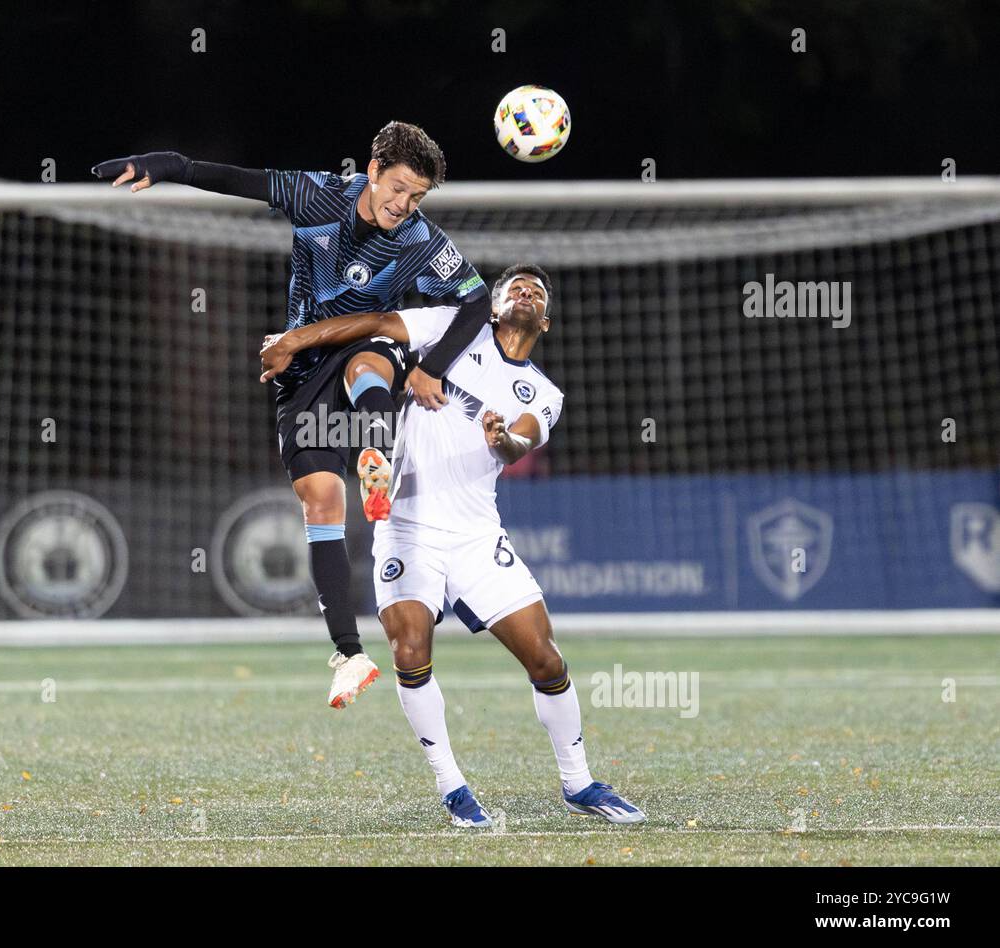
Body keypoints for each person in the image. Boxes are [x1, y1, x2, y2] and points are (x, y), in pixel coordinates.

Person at [93, 122, 490, 709]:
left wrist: (433, 369)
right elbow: (233, 180)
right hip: (302, 375)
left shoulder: (423, 241)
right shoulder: (318, 194)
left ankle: (375, 451)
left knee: (371, 363)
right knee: (321, 502)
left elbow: (477, 301)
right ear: (374, 169)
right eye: (399, 189)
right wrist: (169, 163)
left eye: (417, 198)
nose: (404, 206)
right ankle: (350, 655)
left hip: (362, 348)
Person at [260, 264, 646, 826]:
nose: (525, 292)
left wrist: (503, 438)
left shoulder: (543, 392)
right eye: (514, 286)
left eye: (537, 291)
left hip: (475, 536)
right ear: (490, 307)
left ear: (547, 319)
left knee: (545, 658)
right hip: (405, 524)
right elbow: (375, 321)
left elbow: (521, 444)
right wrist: (295, 338)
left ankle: (579, 782)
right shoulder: (448, 328)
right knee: (410, 650)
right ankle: (452, 787)